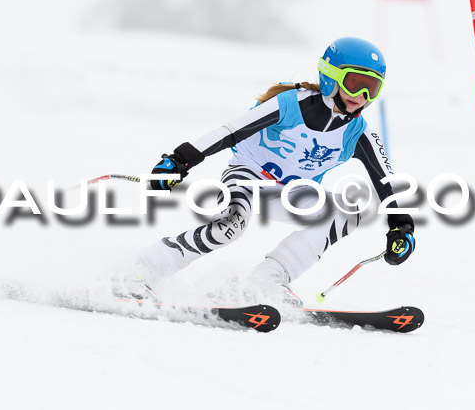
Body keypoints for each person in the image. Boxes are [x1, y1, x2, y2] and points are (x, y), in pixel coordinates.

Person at [125, 37, 415, 307]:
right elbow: (230, 132)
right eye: (354, 83)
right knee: (231, 226)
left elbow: (386, 183)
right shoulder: (291, 104)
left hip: (292, 194)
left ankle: (268, 280)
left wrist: (401, 227)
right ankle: (146, 267)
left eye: (372, 88)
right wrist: (179, 161)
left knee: (349, 211)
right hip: (247, 175)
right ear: (330, 75)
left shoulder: (359, 133)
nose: (361, 95)